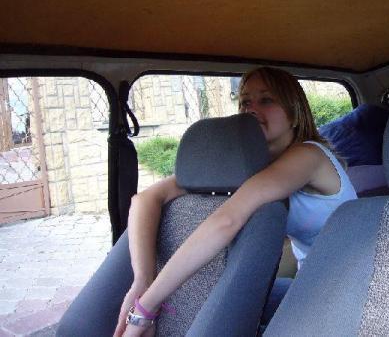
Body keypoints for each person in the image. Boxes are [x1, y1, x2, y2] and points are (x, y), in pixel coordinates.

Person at [115, 66, 357, 336]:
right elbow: (146, 199)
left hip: (350, 287)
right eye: (245, 102)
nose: (251, 109)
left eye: (266, 100)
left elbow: (227, 220)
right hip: (309, 284)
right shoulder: (249, 164)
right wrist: (142, 280)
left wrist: (144, 309)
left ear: (294, 114)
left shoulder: (308, 156)